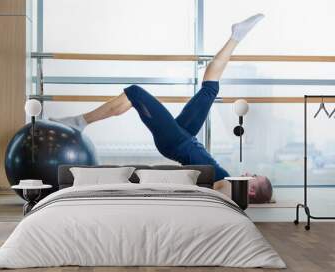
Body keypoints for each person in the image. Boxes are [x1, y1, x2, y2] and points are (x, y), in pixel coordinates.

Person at [51, 13, 272, 196]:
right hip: (186, 138)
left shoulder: (230, 188)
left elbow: (213, 193)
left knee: (135, 93)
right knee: (210, 89)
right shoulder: (231, 182)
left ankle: (81, 121)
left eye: (253, 178)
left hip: (175, 143)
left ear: (251, 191)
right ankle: (236, 36)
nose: (249, 173)